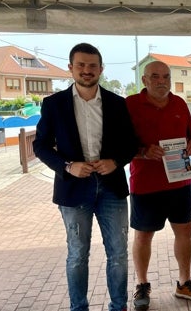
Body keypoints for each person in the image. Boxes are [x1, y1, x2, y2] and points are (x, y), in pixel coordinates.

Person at [33, 43, 138, 311]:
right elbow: (40, 146)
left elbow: (131, 143)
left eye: (92, 66)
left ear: (101, 69)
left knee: (118, 254)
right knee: (78, 255)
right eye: (80, 65)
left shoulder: (117, 103)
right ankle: (78, 308)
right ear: (71, 68)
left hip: (111, 188)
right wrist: (68, 166)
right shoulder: (54, 105)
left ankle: (119, 306)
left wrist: (115, 162)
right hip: (73, 189)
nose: (87, 70)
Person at [126, 61, 191, 310]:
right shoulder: (130, 105)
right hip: (145, 183)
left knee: (185, 231)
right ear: (144, 80)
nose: (161, 81)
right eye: (155, 76)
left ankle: (184, 283)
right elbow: (117, 142)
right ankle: (142, 284)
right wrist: (142, 151)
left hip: (180, 180)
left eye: (165, 76)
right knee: (143, 235)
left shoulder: (179, 103)